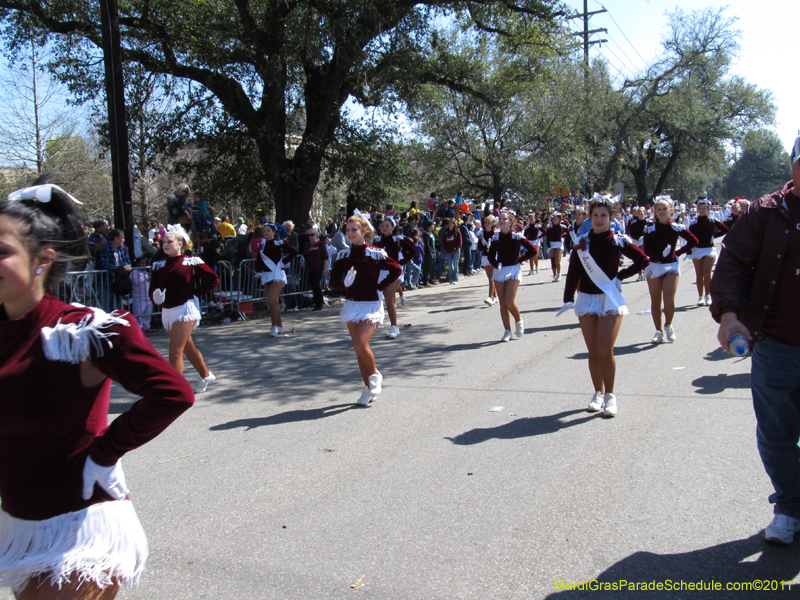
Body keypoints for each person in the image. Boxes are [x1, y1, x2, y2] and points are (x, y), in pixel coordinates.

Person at [0, 182, 194, 599]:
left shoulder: (82, 328)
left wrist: (104, 451)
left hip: (80, 524)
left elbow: (173, 392)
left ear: (42, 260)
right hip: (21, 521)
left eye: (2, 251)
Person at [710, 136, 800, 546]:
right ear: (793, 165)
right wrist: (729, 315)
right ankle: (790, 507)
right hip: (777, 346)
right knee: (777, 433)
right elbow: (731, 265)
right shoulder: (765, 214)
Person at [561, 198, 649, 417]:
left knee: (604, 349)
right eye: (596, 215)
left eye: (604, 215)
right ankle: (597, 393)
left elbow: (643, 260)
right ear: (590, 217)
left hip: (609, 299)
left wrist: (620, 276)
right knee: (593, 352)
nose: (599, 219)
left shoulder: (619, 241)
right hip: (587, 299)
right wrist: (567, 298)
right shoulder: (582, 244)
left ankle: (610, 395)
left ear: (611, 218)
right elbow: (573, 273)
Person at [329, 215, 402, 406]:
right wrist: (344, 284)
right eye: (348, 230)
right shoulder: (343, 255)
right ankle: (368, 388)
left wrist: (380, 286)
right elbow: (332, 281)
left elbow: (396, 270)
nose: (350, 233)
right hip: (352, 304)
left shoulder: (375, 253)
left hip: (371, 304)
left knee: (361, 344)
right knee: (358, 349)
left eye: (354, 229)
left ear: (363, 231)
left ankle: (375, 376)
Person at [149, 227, 219, 392]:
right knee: (188, 349)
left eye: (169, 241)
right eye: (163, 242)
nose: (165, 244)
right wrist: (156, 298)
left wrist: (195, 292)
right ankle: (206, 375)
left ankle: (174, 391)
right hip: (167, 312)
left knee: (174, 352)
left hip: (185, 310)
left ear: (180, 243)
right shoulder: (158, 265)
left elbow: (213, 279)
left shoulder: (191, 261)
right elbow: (153, 289)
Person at [642, 198, 698, 343]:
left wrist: (677, 253)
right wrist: (660, 254)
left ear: (670, 211)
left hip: (671, 266)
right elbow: (646, 249)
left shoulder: (676, 227)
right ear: (654, 211)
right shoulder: (649, 228)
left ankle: (668, 325)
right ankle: (658, 330)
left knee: (668, 299)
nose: (661, 211)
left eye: (664, 209)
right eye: (658, 209)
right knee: (655, 301)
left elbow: (694, 241)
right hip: (654, 266)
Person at [487, 211, 537, 341]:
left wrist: (520, 259)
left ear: (510, 222)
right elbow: (490, 255)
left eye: (505, 219)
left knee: (509, 301)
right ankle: (507, 331)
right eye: (500, 219)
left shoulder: (517, 236)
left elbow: (533, 250)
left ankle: (518, 320)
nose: (502, 221)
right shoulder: (495, 237)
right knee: (503, 304)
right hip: (500, 270)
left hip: (513, 270)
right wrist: (496, 263)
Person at [372, 217, 415, 339]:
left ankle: (394, 327)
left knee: (389, 299)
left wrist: (400, 262)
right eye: (383, 226)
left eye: (387, 226)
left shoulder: (398, 239)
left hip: (394, 273)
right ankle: (372, 326)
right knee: (378, 298)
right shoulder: (377, 240)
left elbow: (412, 251)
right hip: (381, 272)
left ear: (393, 227)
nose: (385, 228)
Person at [253, 223, 299, 336]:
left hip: (277, 274)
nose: (266, 233)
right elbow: (259, 259)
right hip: (266, 275)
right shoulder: (262, 244)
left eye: (268, 231)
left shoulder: (279, 242)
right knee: (274, 301)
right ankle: (279, 326)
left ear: (273, 232)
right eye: (264, 231)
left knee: (271, 299)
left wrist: (283, 262)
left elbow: (294, 252)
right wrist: (258, 271)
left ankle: (273, 326)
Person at [688, 198, 728, 306]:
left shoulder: (713, 220)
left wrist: (714, 236)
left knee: (707, 274)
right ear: (697, 209)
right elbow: (689, 237)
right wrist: (689, 249)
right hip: (697, 249)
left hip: (709, 249)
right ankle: (700, 296)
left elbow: (725, 229)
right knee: (699, 274)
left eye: (704, 208)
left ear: (708, 209)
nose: (702, 210)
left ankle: (708, 295)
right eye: (700, 208)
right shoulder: (693, 222)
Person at [302, 230, 329, 311]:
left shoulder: (320, 244)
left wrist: (325, 268)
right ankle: (316, 303)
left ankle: (320, 302)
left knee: (316, 284)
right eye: (309, 235)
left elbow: (325, 256)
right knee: (313, 285)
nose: (310, 237)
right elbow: (305, 255)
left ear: (316, 235)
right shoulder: (306, 245)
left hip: (319, 268)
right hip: (310, 268)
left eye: (312, 235)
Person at [131, 255, 155, 333]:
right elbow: (135, 282)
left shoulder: (146, 272)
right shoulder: (134, 272)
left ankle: (146, 326)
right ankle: (139, 327)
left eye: (145, 263)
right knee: (139, 313)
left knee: (147, 313)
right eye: (142, 263)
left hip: (147, 296)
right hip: (139, 297)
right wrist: (146, 278)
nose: (144, 265)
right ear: (137, 264)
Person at [477, 215, 498, 306]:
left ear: (492, 224)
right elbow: (480, 247)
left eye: (489, 222)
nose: (487, 224)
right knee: (489, 277)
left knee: (492, 278)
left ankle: (489, 297)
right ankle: (495, 297)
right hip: (485, 256)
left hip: (493, 256)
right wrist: (485, 246)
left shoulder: (495, 233)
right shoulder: (481, 233)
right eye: (486, 222)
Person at [626, 207, 650, 281]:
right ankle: (640, 274)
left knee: (644, 257)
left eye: (641, 212)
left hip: (644, 241)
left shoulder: (648, 222)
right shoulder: (634, 223)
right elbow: (631, 232)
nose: (640, 213)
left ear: (644, 213)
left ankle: (646, 271)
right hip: (636, 241)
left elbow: (649, 233)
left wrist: (643, 237)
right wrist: (636, 237)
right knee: (638, 258)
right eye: (639, 212)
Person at [546, 212, 568, 282]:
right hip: (552, 244)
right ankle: (554, 275)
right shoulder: (549, 227)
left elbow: (568, 233)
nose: (554, 220)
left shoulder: (562, 226)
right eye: (553, 219)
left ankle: (559, 274)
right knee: (553, 261)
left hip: (559, 243)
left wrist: (563, 235)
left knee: (557, 260)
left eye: (556, 218)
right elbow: (548, 237)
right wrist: (549, 246)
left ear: (559, 219)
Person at [442, 218, 462, 284]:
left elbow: (460, 241)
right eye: (449, 223)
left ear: (454, 224)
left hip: (456, 250)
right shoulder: (446, 232)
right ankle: (450, 278)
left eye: (451, 223)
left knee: (456, 265)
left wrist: (456, 247)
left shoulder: (457, 231)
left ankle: (455, 279)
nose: (450, 225)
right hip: (448, 251)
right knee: (449, 265)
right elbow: (444, 241)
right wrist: (446, 248)